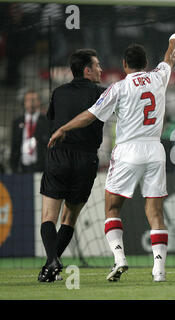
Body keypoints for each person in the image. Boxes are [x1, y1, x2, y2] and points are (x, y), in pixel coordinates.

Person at [49, 28, 175, 282]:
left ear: (124, 65)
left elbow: (90, 115)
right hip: (155, 150)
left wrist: (63, 128)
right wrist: (174, 39)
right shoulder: (158, 77)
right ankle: (159, 270)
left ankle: (119, 258)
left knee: (112, 207)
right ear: (145, 64)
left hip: (127, 151)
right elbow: (169, 58)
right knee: (155, 212)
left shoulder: (118, 88)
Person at [38, 48, 105, 282]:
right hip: (86, 159)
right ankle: (52, 261)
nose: (101, 69)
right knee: (69, 217)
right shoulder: (101, 93)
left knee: (48, 215)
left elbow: (52, 120)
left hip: (58, 155)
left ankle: (51, 261)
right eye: (97, 65)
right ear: (87, 70)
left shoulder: (58, 92)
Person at [10, 90, 50, 173]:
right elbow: (14, 145)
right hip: (22, 167)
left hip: (41, 167)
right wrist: (14, 167)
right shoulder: (17, 122)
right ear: (24, 103)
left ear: (39, 102)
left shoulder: (47, 121)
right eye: (28, 100)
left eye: (34, 100)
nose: (31, 103)